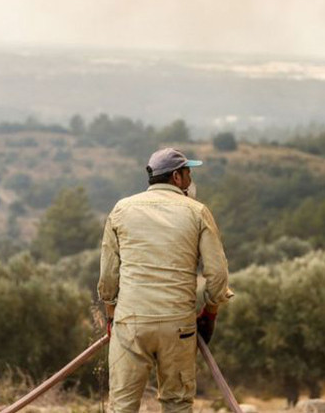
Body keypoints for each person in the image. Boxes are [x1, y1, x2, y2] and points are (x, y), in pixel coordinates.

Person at [98, 147, 233, 413]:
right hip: (178, 326)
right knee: (177, 405)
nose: (191, 181)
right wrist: (210, 312)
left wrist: (113, 317)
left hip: (131, 324)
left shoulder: (122, 209)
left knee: (122, 407)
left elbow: (108, 276)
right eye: (189, 173)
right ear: (177, 178)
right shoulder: (198, 212)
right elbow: (217, 275)